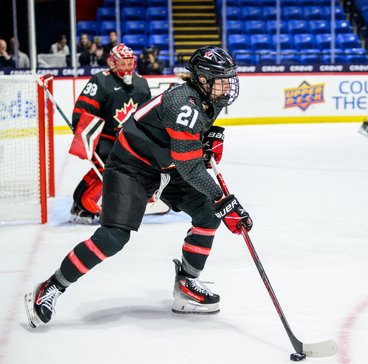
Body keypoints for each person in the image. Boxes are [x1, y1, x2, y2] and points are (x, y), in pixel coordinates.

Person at [24, 46, 253, 328]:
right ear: (202, 79)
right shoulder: (183, 104)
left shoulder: (210, 98)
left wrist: (208, 136)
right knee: (113, 238)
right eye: (221, 78)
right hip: (132, 166)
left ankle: (187, 285)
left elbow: (187, 144)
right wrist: (223, 200)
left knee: (207, 214)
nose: (228, 85)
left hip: (166, 164)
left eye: (230, 77)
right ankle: (51, 287)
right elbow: (191, 167)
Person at [70, 43, 150, 223]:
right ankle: (85, 203)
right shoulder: (101, 80)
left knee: (135, 168)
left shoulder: (142, 84)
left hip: (129, 139)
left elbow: (147, 116)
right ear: (113, 63)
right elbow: (83, 110)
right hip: (105, 137)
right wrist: (83, 135)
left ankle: (80, 202)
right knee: (109, 168)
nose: (127, 68)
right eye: (123, 64)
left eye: (130, 64)